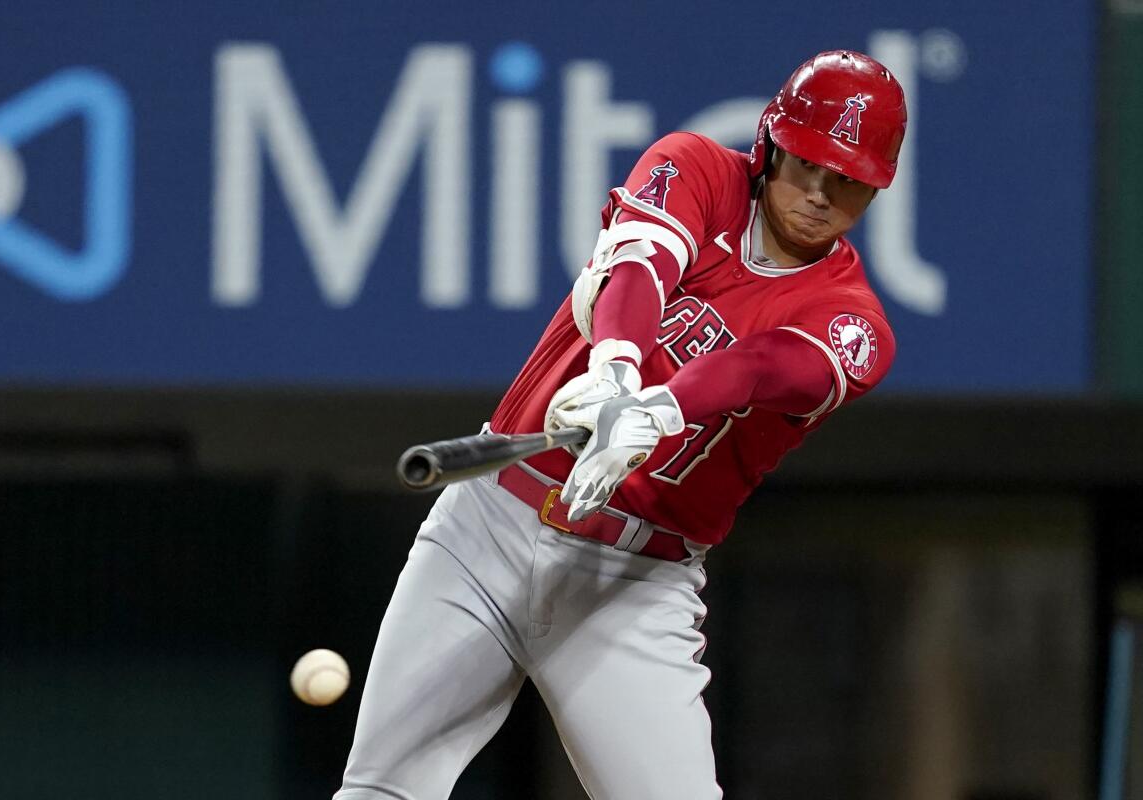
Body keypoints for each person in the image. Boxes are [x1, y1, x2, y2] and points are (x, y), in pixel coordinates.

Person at [335, 50, 907, 800]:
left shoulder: (856, 323)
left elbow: (763, 367)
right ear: (771, 142)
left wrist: (661, 408)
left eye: (850, 180)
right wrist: (614, 369)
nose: (822, 194)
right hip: (488, 527)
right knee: (381, 790)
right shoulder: (695, 165)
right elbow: (640, 265)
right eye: (808, 165)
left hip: (631, 582)